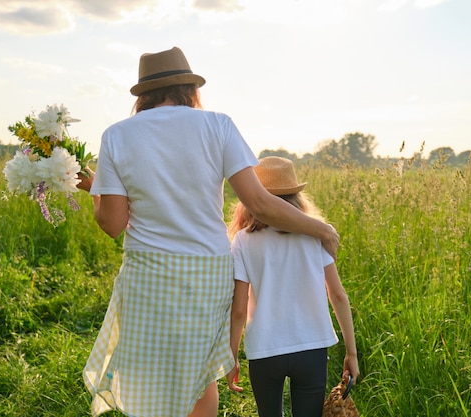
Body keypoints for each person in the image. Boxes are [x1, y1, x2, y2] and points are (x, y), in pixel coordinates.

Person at [76, 47, 339, 417]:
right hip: (208, 271)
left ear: (143, 95)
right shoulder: (218, 125)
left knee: (151, 373)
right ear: (189, 88)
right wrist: (321, 229)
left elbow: (113, 223)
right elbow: (260, 204)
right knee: (202, 380)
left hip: (148, 273)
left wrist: (94, 192)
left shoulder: (117, 135)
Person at [226, 156, 359, 417]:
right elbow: (338, 295)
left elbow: (239, 309)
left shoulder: (242, 241)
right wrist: (351, 352)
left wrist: (232, 357)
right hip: (310, 346)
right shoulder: (315, 235)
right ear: (297, 197)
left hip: (264, 348)